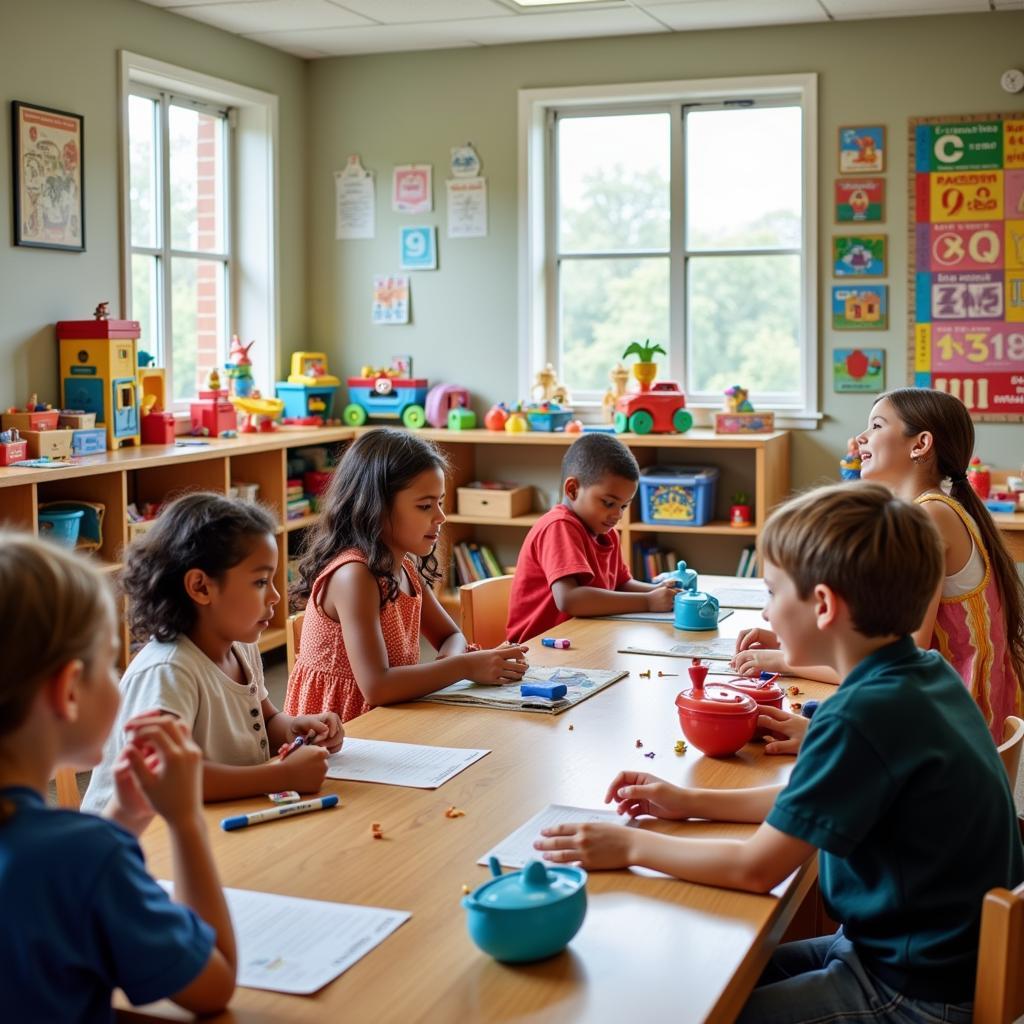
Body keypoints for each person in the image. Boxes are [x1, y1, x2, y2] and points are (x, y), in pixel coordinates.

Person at [536, 483, 1024, 1023]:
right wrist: (686, 800)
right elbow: (804, 796)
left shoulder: (862, 715)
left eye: (771, 592)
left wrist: (628, 846)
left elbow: (753, 868)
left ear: (822, 605)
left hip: (913, 992)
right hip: (906, 955)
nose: (766, 609)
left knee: (687, 1009)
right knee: (689, 984)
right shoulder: (923, 674)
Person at [0, 533, 236, 1020]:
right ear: (68, 691)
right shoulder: (86, 856)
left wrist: (123, 816)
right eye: (110, 661)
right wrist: (186, 822)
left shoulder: (77, 851)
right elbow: (215, 984)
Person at [734, 387, 1024, 745]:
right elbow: (887, 638)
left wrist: (782, 660)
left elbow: (901, 661)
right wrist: (793, 640)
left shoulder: (930, 516)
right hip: (950, 709)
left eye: (876, 426)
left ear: (920, 444)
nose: (860, 438)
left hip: (947, 726)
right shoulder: (930, 510)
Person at [83, 492, 342, 811]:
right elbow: (165, 778)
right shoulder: (169, 670)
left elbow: (266, 718)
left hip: (210, 819)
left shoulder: (241, 646)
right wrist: (281, 775)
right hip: (138, 843)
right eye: (261, 582)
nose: (275, 595)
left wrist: (295, 729)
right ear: (201, 587)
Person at [285, 429, 528, 722]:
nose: (440, 517)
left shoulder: (404, 568)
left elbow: (450, 635)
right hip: (343, 733)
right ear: (375, 506)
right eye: (425, 506)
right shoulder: (354, 576)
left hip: (391, 718)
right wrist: (463, 667)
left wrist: (451, 666)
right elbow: (377, 687)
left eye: (439, 502)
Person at [506, 433, 679, 642]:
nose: (617, 515)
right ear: (572, 489)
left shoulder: (607, 533)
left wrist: (659, 591)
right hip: (538, 651)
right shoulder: (559, 526)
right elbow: (569, 600)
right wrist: (648, 601)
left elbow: (621, 585)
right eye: (608, 503)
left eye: (624, 505)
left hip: (583, 641)